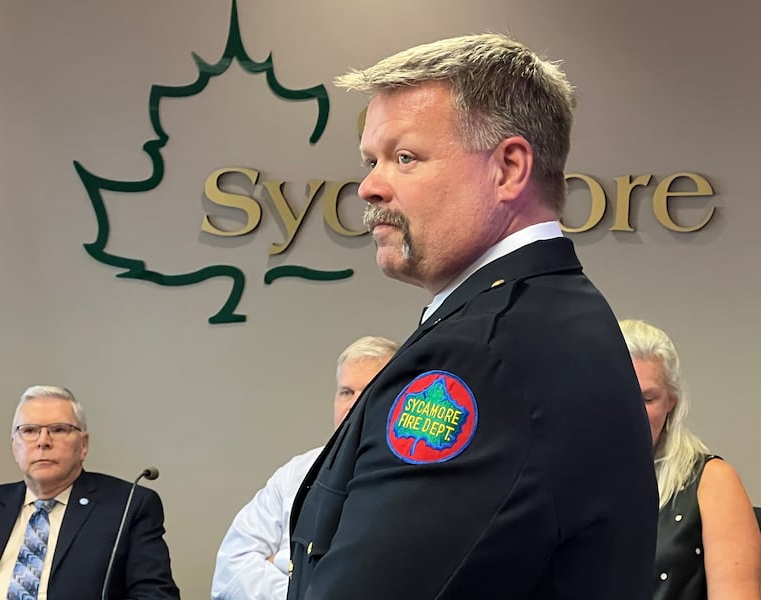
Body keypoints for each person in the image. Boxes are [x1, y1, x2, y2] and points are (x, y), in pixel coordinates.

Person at [286, 33, 659, 600]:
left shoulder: (482, 356)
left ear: (509, 168)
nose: (369, 186)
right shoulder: (552, 316)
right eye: (371, 160)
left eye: (404, 158)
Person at [211, 336, 400, 600]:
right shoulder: (297, 472)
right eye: (346, 392)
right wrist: (297, 590)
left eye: (369, 392)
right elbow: (229, 572)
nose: (354, 405)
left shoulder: (410, 478)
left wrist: (280, 564)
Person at [0, 385, 180, 600]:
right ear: (14, 446)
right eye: (29, 431)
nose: (43, 441)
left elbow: (156, 595)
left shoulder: (128, 507)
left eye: (58, 430)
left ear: (83, 445)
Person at [619, 319, 761, 599]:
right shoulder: (568, 482)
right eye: (619, 396)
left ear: (671, 401)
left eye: (648, 399)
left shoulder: (713, 481)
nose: (632, 413)